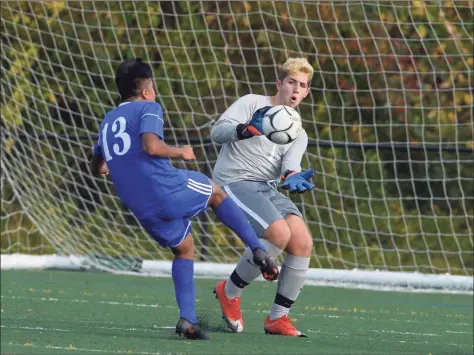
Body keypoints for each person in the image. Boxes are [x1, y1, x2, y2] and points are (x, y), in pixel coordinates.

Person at [90, 58, 279, 340]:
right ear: (145, 90)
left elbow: (96, 163)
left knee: (184, 248)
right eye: (152, 86)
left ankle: (188, 320)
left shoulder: (108, 121)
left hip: (139, 206)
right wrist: (181, 152)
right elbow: (151, 146)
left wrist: (104, 167)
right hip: (164, 187)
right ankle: (256, 249)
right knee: (216, 193)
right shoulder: (149, 107)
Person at [210, 57, 315, 337]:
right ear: (279, 83)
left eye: (302, 85)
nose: (295, 89)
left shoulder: (299, 133)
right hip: (232, 181)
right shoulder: (251, 103)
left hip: (265, 186)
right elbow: (216, 133)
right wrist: (243, 130)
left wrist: (294, 178)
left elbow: (289, 167)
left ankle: (278, 319)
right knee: (278, 233)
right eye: (291, 81)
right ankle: (229, 292)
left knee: (302, 241)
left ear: (306, 92)